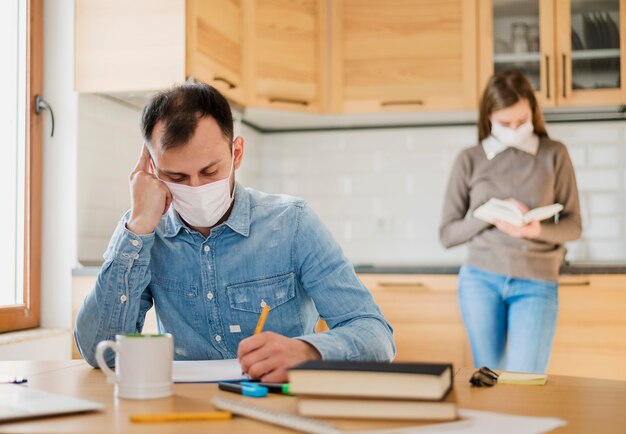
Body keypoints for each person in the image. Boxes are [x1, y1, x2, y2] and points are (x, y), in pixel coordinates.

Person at [75, 83, 395, 382]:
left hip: (275, 405)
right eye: (177, 176)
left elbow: (376, 336)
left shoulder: (292, 224)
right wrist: (138, 227)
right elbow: (96, 351)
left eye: (209, 171)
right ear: (152, 170)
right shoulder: (145, 234)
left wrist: (309, 352)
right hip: (185, 411)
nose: (197, 188)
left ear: (237, 153)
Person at [439, 70, 582, 374]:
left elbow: (573, 225)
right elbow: (448, 234)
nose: (516, 129)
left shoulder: (554, 154)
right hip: (480, 281)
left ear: (533, 112)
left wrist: (536, 229)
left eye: (522, 121)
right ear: (488, 117)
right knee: (489, 380)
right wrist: (488, 215)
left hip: (536, 280)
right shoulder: (470, 159)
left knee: (523, 381)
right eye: (506, 123)